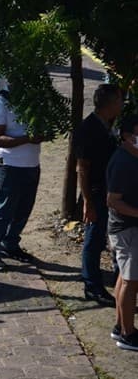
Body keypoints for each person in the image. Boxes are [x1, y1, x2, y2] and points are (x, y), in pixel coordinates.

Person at [0, 77, 47, 272]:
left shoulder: (33, 101)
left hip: (32, 164)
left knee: (24, 208)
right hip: (10, 166)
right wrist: (28, 139)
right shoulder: (0, 103)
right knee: (4, 211)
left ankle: (10, 244)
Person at [74, 84, 123, 306]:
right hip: (96, 193)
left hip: (110, 190)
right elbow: (82, 167)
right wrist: (87, 202)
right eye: (119, 101)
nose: (122, 105)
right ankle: (92, 286)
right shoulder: (89, 129)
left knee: (109, 238)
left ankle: (116, 278)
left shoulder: (107, 125)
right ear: (110, 104)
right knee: (94, 240)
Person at [106, 115, 138, 350]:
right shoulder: (123, 162)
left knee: (123, 277)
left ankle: (120, 326)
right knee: (131, 280)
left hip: (127, 228)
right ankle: (128, 334)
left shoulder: (131, 158)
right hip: (127, 229)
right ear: (127, 136)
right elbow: (113, 201)